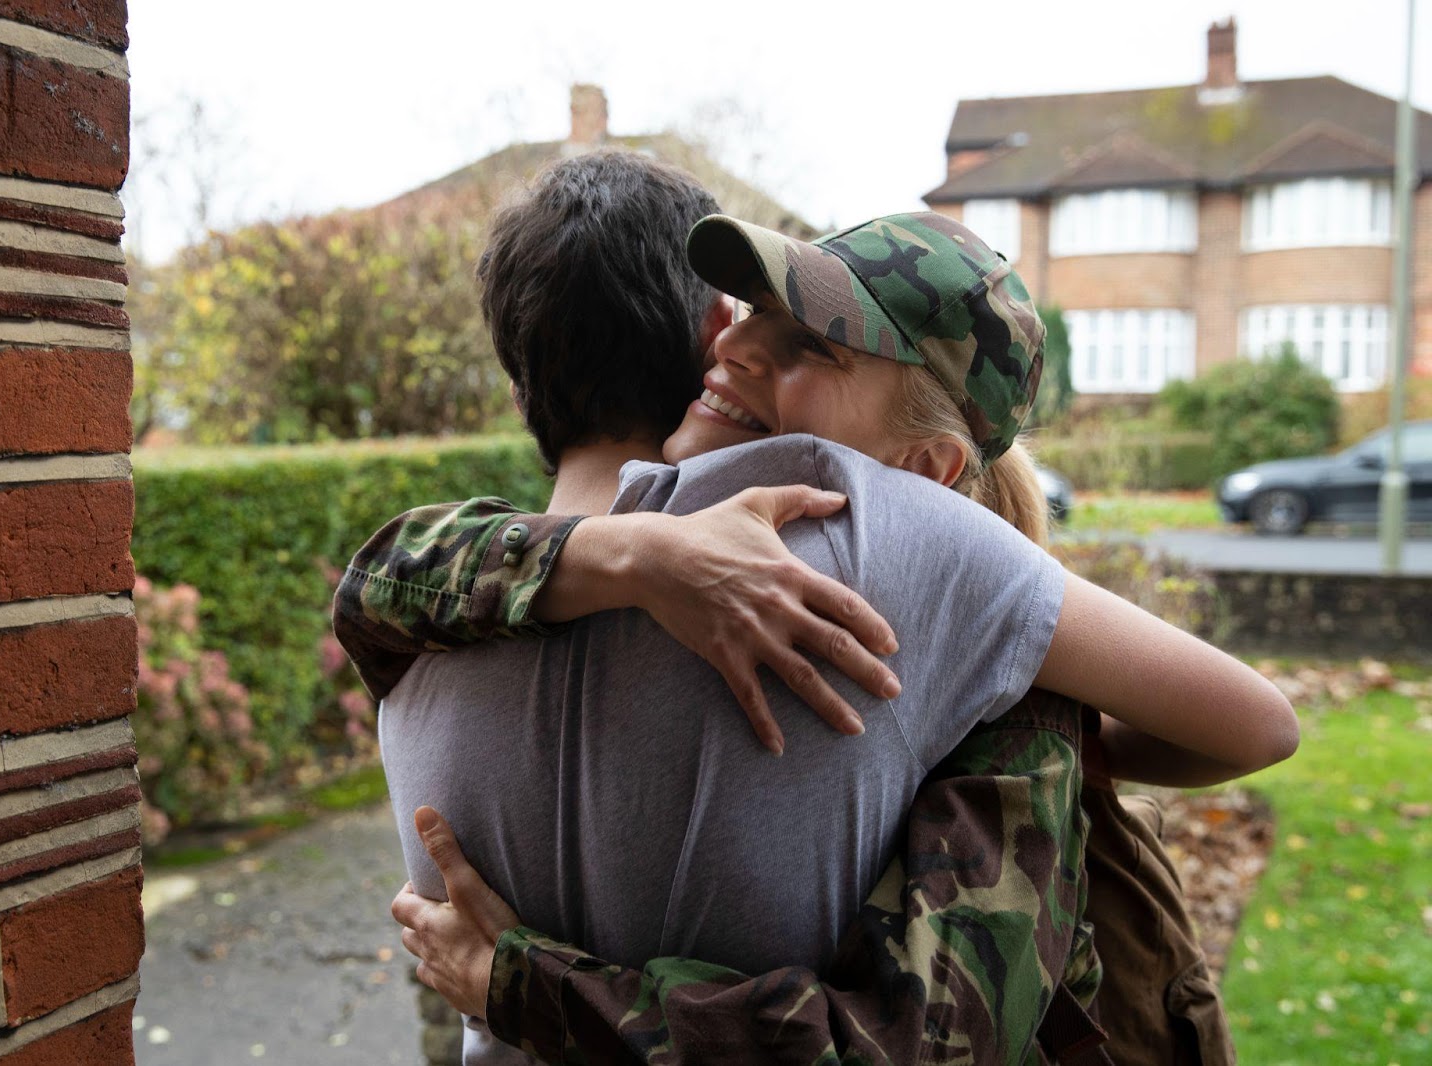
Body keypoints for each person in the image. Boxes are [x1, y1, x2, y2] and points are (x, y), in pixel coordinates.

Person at [337, 155, 1292, 1063]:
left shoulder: (956, 602)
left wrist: (522, 986)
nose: (734, 342)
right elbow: (374, 587)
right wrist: (637, 553)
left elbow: (913, 1046)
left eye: (807, 346)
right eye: (751, 312)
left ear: (926, 471)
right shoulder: (592, 551)